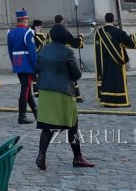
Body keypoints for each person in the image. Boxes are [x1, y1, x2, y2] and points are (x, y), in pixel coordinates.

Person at [35, 24, 93, 170]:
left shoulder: (43, 49)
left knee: (47, 127)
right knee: (72, 126)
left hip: (45, 92)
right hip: (63, 92)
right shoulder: (67, 52)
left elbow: (37, 68)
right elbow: (76, 74)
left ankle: (41, 155)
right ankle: (77, 158)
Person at [93, 13, 136, 107]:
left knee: (107, 80)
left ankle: (106, 100)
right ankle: (120, 100)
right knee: (118, 81)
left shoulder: (99, 32)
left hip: (104, 63)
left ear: (105, 20)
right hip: (117, 62)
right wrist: (133, 36)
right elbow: (130, 43)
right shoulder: (118, 31)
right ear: (113, 20)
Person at [7, 9, 39, 124]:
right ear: (25, 20)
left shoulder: (10, 32)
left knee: (26, 88)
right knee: (25, 89)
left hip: (17, 63)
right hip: (26, 64)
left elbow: (10, 50)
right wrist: (36, 67)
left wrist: (13, 63)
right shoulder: (28, 32)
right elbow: (32, 52)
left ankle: (36, 112)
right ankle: (22, 115)